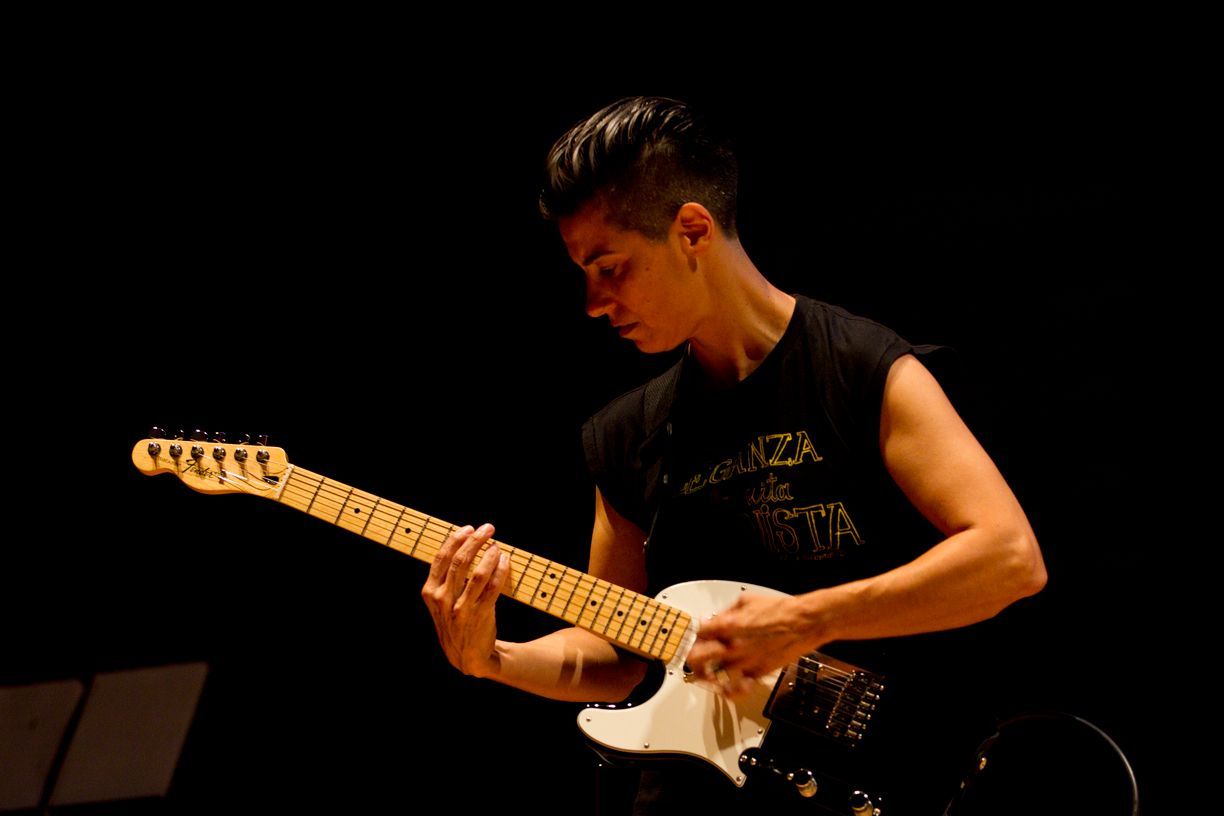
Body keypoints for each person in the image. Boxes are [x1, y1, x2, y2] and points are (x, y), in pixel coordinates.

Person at [420, 96, 1047, 813]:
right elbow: (617, 656)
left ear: (691, 230)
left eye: (610, 267)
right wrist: (490, 659)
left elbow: (1009, 559)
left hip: (899, 780)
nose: (593, 301)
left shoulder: (862, 369)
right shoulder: (627, 434)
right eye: (583, 272)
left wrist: (810, 618)